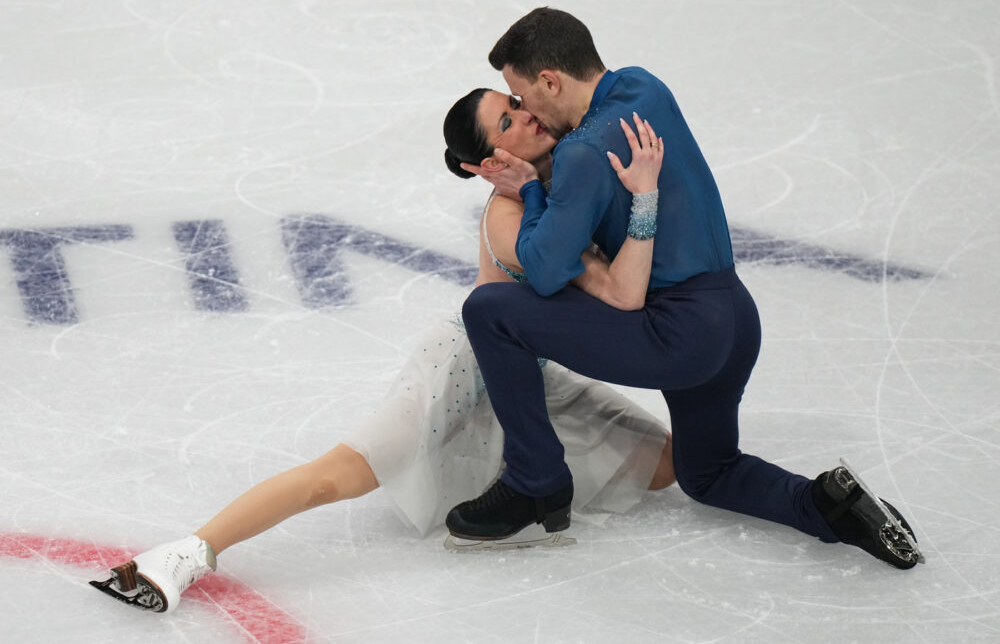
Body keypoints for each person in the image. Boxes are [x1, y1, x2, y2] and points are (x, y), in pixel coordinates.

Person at [89, 90, 676, 613]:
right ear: (488, 163)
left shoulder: (558, 186)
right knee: (343, 474)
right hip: (465, 367)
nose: (527, 115)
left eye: (518, 105)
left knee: (667, 467)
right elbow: (613, 293)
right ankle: (184, 555)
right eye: (507, 120)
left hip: (534, 375)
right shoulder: (510, 218)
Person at [445, 7, 923, 570]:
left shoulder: (580, 152)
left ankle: (535, 480)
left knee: (490, 310)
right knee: (708, 472)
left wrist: (530, 191)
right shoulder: (646, 86)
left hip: (681, 335)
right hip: (737, 319)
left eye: (521, 97)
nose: (527, 111)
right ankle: (827, 504)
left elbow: (546, 270)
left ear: (551, 80)